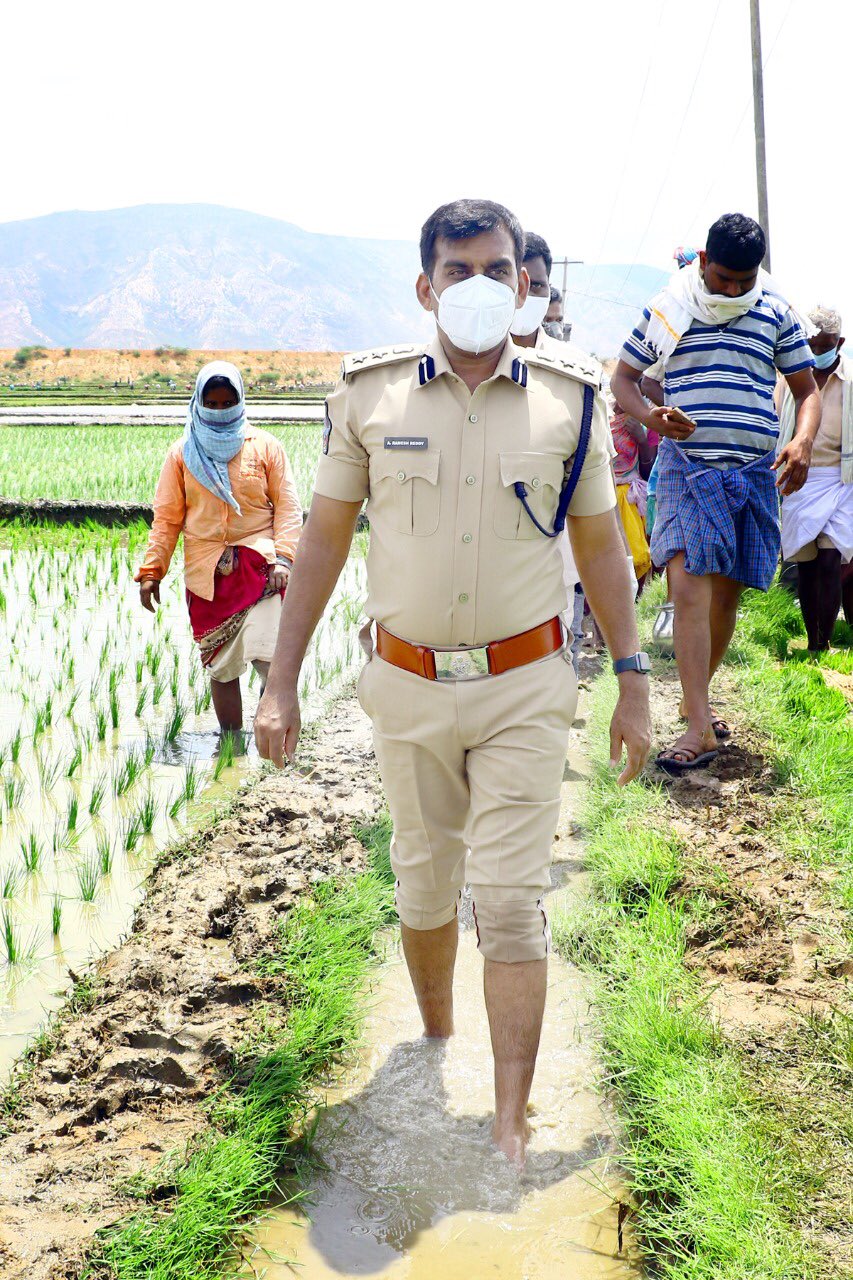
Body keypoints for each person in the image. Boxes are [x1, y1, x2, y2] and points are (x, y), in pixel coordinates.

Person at [255, 198, 651, 1165]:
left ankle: (511, 1121)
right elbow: (321, 546)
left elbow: (599, 544)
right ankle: (432, 1039)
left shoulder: (570, 399)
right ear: (424, 285)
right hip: (407, 685)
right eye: (457, 269)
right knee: (424, 888)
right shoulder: (369, 397)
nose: (478, 285)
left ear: (524, 282)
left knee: (509, 899)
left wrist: (634, 680)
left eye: (496, 268)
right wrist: (282, 681)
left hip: (525, 684)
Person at [611, 213, 820, 773]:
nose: (731, 290)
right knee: (688, 590)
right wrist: (653, 415)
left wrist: (800, 444)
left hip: (752, 474)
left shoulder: (775, 312)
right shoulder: (669, 309)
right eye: (723, 277)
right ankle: (698, 725)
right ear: (703, 262)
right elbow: (623, 380)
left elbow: (808, 390)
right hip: (686, 468)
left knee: (726, 597)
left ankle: (693, 696)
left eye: (743, 281)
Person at [135, 361, 302, 733]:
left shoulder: (265, 447)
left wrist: (286, 558)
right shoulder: (181, 454)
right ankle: (231, 745)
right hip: (207, 578)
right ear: (198, 402)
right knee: (222, 667)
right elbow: (166, 519)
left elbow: (288, 507)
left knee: (270, 658)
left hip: (263, 571)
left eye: (227, 403)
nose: (219, 410)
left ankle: (271, 737)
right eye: (211, 403)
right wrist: (151, 572)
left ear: (241, 401)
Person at [777, 305, 853, 649]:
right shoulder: (792, 379)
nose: (819, 352)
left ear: (840, 343)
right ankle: (814, 642)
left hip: (840, 480)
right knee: (806, 565)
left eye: (827, 345)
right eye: (814, 345)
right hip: (799, 479)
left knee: (830, 560)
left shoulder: (850, 381)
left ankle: (826, 638)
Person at [610, 396, 651, 590]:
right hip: (605, 495)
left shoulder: (645, 421)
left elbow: (649, 472)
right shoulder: (602, 417)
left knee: (636, 556)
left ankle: (636, 606)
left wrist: (641, 440)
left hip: (630, 499)